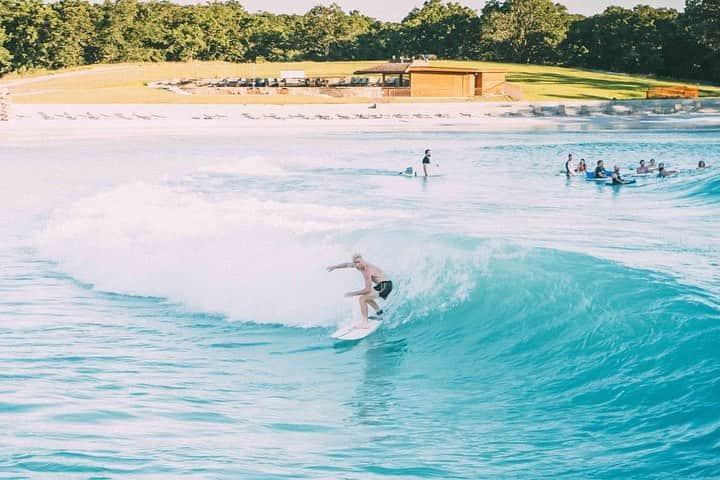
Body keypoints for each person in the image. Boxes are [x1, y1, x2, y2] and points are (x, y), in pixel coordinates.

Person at [327, 254, 393, 328]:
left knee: (362, 299)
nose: (357, 264)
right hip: (381, 284)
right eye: (355, 263)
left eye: (359, 262)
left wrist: (352, 293)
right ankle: (380, 313)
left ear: (363, 260)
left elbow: (367, 290)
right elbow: (346, 264)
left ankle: (365, 323)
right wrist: (334, 267)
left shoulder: (366, 269)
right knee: (366, 298)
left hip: (386, 286)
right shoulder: (357, 265)